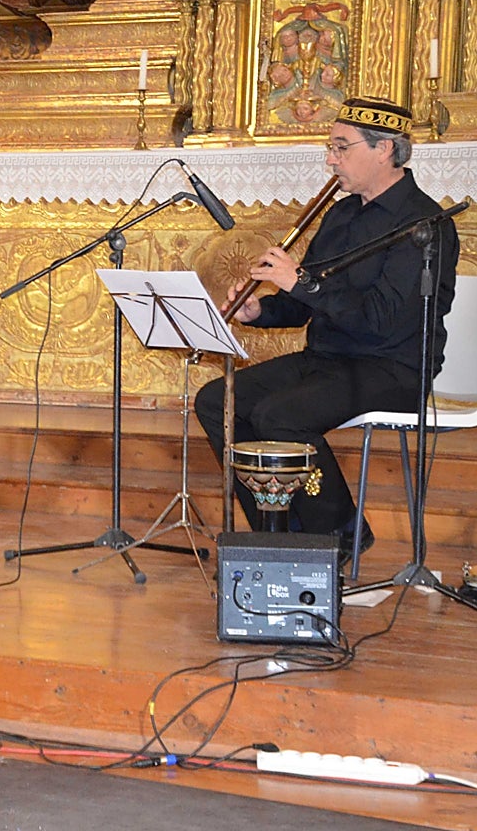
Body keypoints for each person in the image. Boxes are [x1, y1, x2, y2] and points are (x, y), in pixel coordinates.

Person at [194, 96, 458, 556]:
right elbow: (303, 303)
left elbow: (382, 321)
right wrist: (262, 310)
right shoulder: (340, 213)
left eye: (340, 147)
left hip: (391, 366)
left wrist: (300, 283)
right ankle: (278, 533)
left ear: (384, 149)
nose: (330, 159)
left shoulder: (424, 224)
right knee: (217, 400)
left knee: (282, 415)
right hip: (329, 359)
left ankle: (338, 538)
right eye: (330, 147)